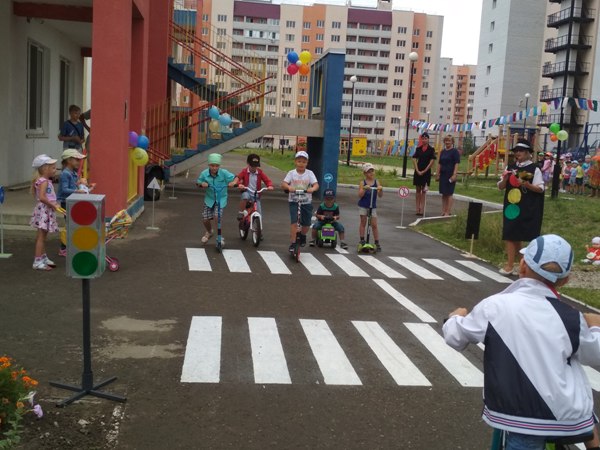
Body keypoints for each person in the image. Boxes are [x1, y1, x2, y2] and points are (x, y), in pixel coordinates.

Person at [443, 234, 600, 450]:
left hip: (518, 417)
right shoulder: (571, 316)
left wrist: (454, 318)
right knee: (574, 376)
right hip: (567, 419)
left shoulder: (494, 306)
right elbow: (595, 355)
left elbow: (456, 338)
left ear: (522, 265)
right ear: (566, 280)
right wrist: (595, 327)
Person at [497, 138, 544, 276]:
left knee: (522, 236)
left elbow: (540, 189)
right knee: (510, 234)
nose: (518, 153)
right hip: (511, 205)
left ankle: (524, 266)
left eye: (521, 151)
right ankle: (511, 265)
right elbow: (500, 187)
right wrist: (505, 179)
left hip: (528, 205)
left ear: (529, 153)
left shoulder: (534, 168)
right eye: (516, 151)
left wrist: (527, 185)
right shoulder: (510, 167)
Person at [281, 151, 319, 253]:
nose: (301, 163)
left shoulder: (309, 173)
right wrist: (289, 187)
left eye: (303, 162)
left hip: (306, 201)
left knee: (306, 223)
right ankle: (293, 243)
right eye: (299, 161)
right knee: (294, 222)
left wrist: (312, 189)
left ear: (307, 163)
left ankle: (302, 235)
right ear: (295, 162)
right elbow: (284, 184)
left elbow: (316, 184)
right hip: (294, 200)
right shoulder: (291, 173)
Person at [196, 153, 236, 245]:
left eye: (216, 166)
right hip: (209, 199)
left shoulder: (224, 173)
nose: (214, 168)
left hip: (221, 199)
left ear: (219, 166)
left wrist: (233, 182)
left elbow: (236, 177)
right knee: (205, 219)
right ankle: (209, 232)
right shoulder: (204, 173)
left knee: (217, 216)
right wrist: (202, 184)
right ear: (208, 165)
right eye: (212, 165)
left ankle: (219, 237)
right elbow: (198, 182)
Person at [30, 154, 61, 271]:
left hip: (45, 209)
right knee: (41, 237)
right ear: (45, 168)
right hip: (45, 209)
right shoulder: (44, 182)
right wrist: (53, 204)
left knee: (42, 236)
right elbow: (42, 197)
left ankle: (42, 257)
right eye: (52, 167)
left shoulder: (44, 180)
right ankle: (37, 261)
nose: (55, 170)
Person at [57, 149, 88, 257]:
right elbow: (64, 189)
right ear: (69, 160)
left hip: (72, 202)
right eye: (77, 160)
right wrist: (77, 190)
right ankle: (63, 248)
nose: (79, 162)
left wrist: (81, 185)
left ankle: (69, 246)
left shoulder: (72, 173)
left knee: (73, 224)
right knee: (69, 225)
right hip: (66, 202)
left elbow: (73, 185)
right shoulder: (65, 174)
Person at [235, 153, 274, 220]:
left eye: (255, 166)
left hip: (256, 195)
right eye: (252, 166)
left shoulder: (260, 173)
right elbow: (238, 178)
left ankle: (257, 227)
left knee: (258, 213)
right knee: (245, 196)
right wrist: (239, 184)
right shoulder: (244, 172)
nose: (253, 168)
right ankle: (241, 212)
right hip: (247, 191)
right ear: (248, 163)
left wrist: (269, 186)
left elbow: (267, 180)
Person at [358, 163, 383, 251]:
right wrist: (364, 189)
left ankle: (377, 242)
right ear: (365, 173)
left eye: (372, 171)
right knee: (363, 222)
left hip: (373, 206)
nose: (371, 173)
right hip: (363, 205)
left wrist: (380, 189)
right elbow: (360, 195)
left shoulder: (376, 182)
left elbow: (380, 195)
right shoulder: (363, 182)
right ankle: (362, 240)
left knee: (374, 224)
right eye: (369, 172)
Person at [435, 135, 460, 216]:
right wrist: (437, 174)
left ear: (452, 142)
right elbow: (439, 163)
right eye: (446, 140)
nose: (447, 142)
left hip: (450, 175)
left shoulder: (455, 151)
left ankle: (448, 211)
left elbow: (456, 163)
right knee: (443, 193)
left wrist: (454, 174)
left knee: (449, 193)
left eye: (449, 141)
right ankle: (443, 210)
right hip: (443, 175)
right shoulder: (443, 152)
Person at [412, 132, 436, 216]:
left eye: (426, 138)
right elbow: (414, 158)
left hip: (426, 172)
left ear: (428, 139)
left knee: (424, 190)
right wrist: (417, 170)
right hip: (418, 171)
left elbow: (432, 160)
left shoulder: (431, 149)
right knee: (418, 190)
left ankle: (422, 209)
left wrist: (425, 170)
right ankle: (417, 208)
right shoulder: (418, 149)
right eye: (423, 138)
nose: (424, 140)